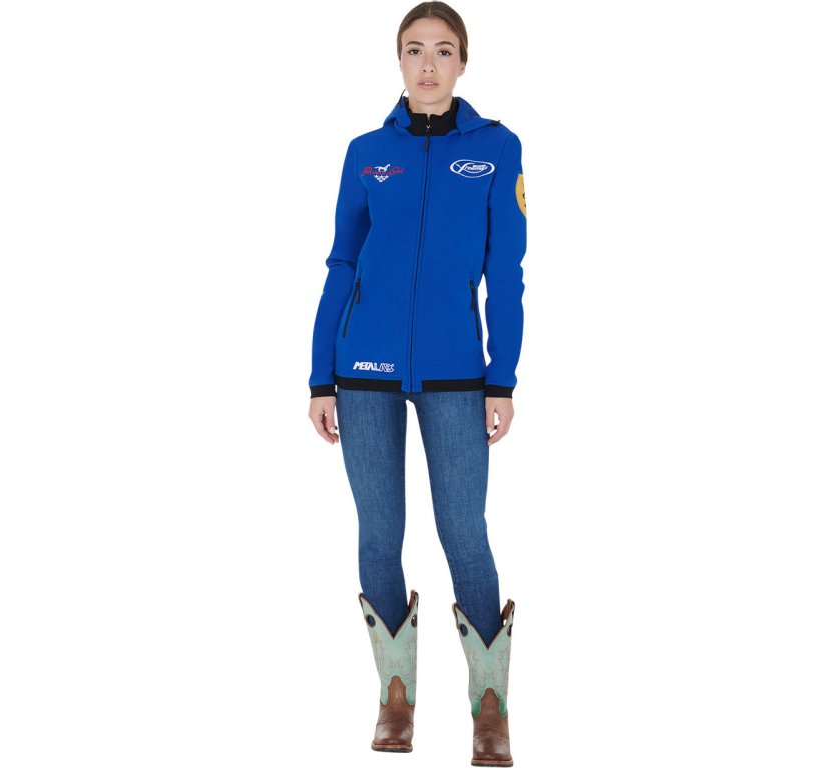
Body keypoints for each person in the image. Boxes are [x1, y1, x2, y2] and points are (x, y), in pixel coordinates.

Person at [306, 3, 526, 765]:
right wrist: (320, 377)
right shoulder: (367, 153)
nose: (427, 64)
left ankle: (490, 708)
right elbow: (342, 263)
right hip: (361, 368)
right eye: (413, 50)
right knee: (379, 532)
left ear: (463, 61)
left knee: (464, 529)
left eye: (442, 50)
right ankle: (394, 699)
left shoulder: (496, 149)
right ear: (398, 60)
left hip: (457, 372)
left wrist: (502, 379)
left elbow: (506, 272)